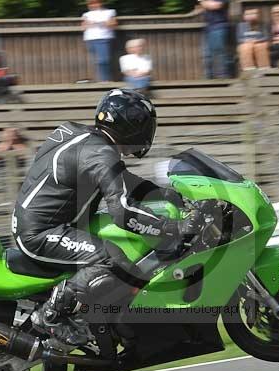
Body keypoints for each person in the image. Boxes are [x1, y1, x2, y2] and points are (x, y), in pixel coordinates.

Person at [12, 89, 201, 347]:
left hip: (45, 221)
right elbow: (123, 213)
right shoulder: (100, 154)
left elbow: (119, 181)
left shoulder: (78, 135)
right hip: (41, 232)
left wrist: (164, 195)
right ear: (130, 127)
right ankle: (50, 316)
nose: (147, 131)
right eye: (144, 125)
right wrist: (173, 227)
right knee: (111, 259)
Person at [197, 0, 230, 79]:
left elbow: (215, 6)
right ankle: (209, 76)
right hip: (209, 28)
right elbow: (201, 10)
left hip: (219, 27)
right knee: (207, 54)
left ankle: (224, 75)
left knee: (220, 52)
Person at [82, 0, 117, 82]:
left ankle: (105, 80)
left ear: (101, 3)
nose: (94, 5)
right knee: (98, 61)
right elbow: (83, 27)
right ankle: (103, 79)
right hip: (90, 38)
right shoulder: (86, 14)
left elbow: (112, 24)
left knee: (103, 60)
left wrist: (95, 23)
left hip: (104, 37)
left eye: (96, 3)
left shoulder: (109, 12)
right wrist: (102, 23)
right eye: (91, 4)